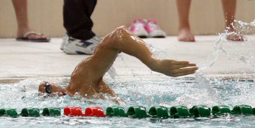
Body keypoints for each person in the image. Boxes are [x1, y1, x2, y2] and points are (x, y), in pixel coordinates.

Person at [38, 26, 198, 98]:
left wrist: (153, 63)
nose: (50, 91)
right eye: (47, 91)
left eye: (48, 87)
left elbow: (118, 35)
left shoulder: (80, 79)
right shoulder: (87, 94)